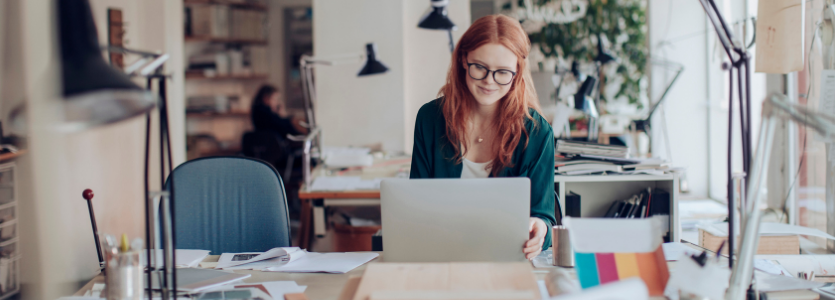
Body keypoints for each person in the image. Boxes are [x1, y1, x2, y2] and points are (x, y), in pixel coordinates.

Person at [410, 15, 556, 260]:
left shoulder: (537, 131)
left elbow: (544, 218)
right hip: (439, 256)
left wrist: (540, 229)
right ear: (463, 60)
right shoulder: (430, 119)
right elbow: (414, 206)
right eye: (480, 67)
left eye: (502, 72)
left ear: (517, 73)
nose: (489, 81)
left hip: (506, 259)